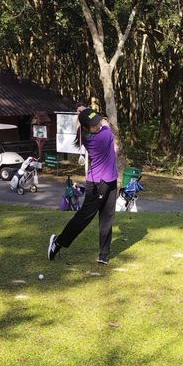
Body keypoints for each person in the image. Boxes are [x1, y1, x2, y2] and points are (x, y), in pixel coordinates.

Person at [48, 108, 118, 265]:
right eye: (94, 124)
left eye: (98, 121)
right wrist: (85, 114)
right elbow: (106, 124)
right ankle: (58, 241)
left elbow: (85, 124)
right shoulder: (102, 136)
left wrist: (81, 114)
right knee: (84, 218)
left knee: (107, 218)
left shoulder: (85, 133)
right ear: (87, 128)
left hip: (111, 181)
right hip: (98, 184)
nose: (99, 125)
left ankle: (104, 255)